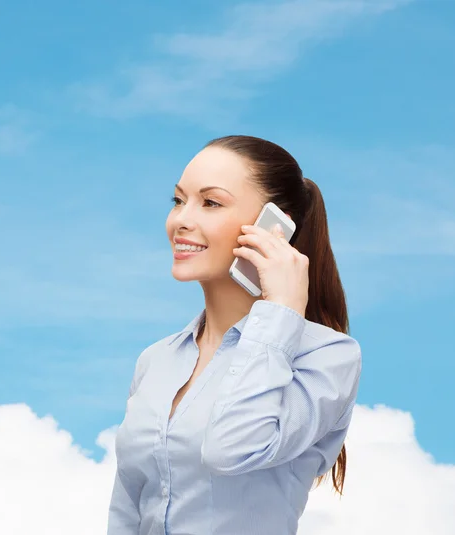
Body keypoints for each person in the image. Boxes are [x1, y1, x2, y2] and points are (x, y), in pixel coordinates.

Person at [107, 135, 362, 535]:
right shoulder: (156, 360)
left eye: (210, 203)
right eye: (178, 201)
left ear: (277, 226)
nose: (181, 220)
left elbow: (232, 449)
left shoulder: (327, 356)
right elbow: (127, 507)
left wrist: (280, 312)